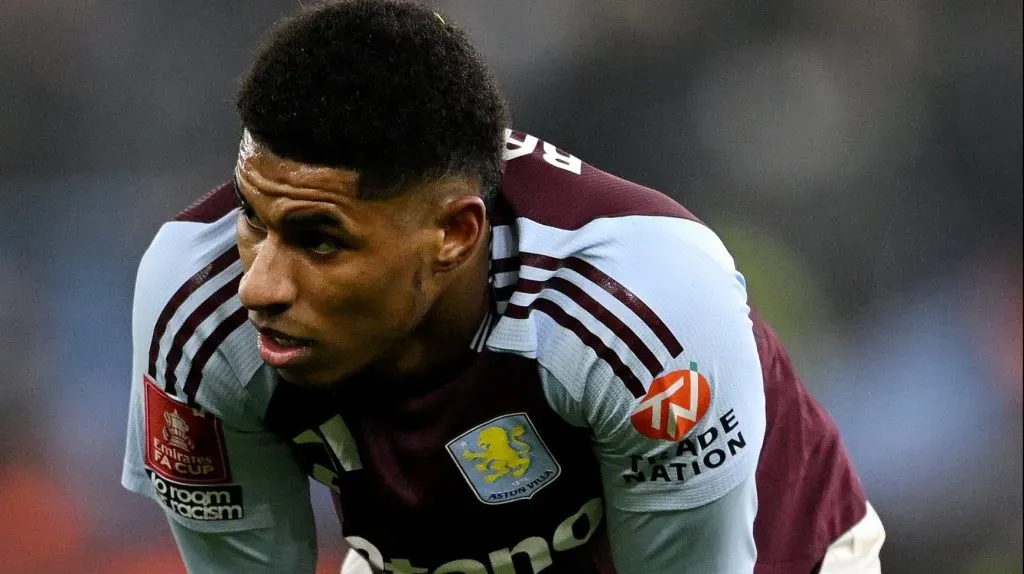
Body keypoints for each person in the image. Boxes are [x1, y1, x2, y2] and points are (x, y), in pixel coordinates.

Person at [121, 2, 884, 572]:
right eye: (254, 218)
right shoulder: (197, 314)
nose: (260, 285)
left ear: (454, 234)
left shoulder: (641, 308)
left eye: (320, 240)